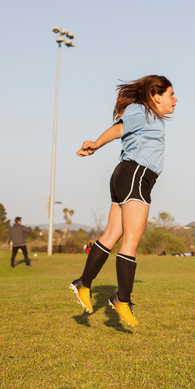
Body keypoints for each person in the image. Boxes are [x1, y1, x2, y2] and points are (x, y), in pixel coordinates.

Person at [69, 75, 177, 327]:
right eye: (171, 94)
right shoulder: (143, 112)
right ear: (156, 96)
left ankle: (83, 284)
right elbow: (120, 128)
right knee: (131, 239)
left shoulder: (147, 114)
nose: (175, 99)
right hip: (136, 176)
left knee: (112, 233)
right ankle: (122, 299)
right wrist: (96, 144)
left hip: (126, 175)